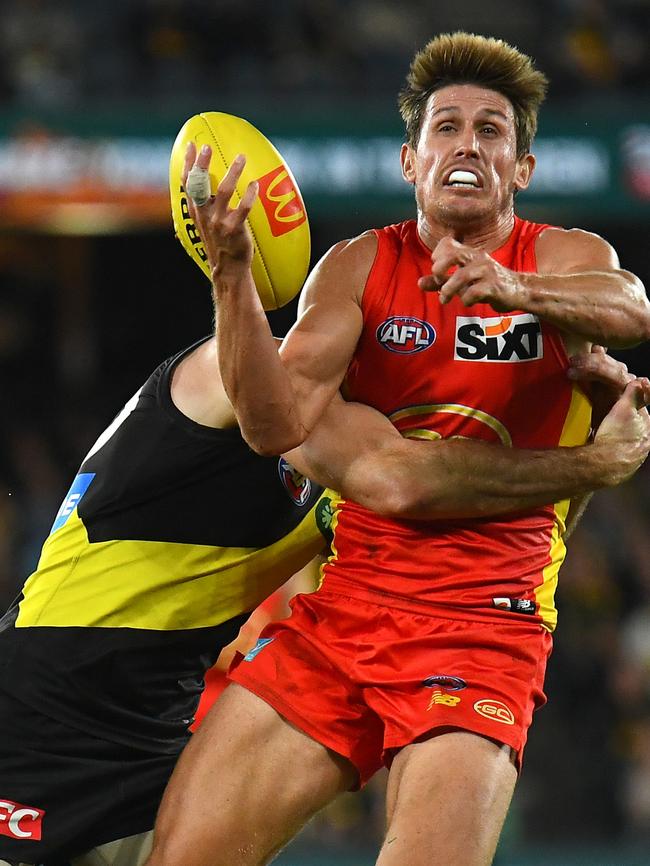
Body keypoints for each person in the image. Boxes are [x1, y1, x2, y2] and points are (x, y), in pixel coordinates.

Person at [146, 31, 650, 866]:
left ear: (520, 170)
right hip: (347, 612)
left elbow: (630, 306)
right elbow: (273, 426)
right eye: (445, 127)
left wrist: (513, 288)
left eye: (492, 131)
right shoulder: (356, 267)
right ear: (410, 161)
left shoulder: (563, 259)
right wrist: (232, 276)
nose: (467, 143)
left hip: (486, 627)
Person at [1, 330, 640, 866]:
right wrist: (591, 462)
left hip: (146, 746)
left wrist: (573, 440)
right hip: (39, 716)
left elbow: (517, 547)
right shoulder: (246, 367)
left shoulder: (358, 458)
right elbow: (397, 481)